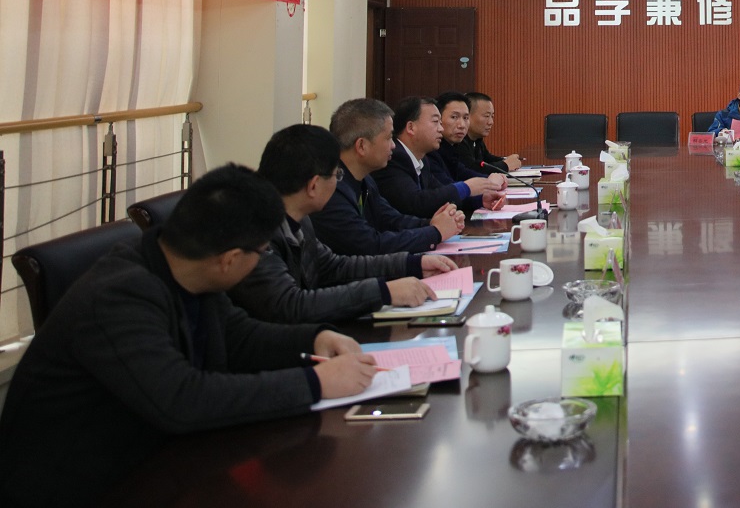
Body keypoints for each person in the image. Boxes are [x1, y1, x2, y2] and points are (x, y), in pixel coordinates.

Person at [0, 166, 379, 508]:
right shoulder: (118, 296)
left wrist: (315, 338)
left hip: (160, 462)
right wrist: (315, 383)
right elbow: (182, 399)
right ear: (230, 259)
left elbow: (238, 336)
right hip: (85, 487)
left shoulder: (185, 265)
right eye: (261, 252)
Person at [230, 124, 462, 323]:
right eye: (336, 175)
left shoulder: (299, 218)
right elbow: (289, 305)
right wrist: (383, 292)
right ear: (313, 186)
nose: (338, 182)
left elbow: (334, 266)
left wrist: (412, 264)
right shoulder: (256, 232)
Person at [310, 98, 464, 256]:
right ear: (362, 146)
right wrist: (434, 232)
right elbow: (370, 245)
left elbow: (390, 219)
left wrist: (433, 223)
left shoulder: (365, 179)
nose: (393, 145)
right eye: (389, 137)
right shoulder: (331, 189)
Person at [374, 95, 503, 219]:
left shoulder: (422, 159)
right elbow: (416, 203)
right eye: (436, 122)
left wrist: (480, 200)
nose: (441, 129)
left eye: (440, 123)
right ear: (411, 127)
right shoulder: (394, 158)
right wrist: (466, 187)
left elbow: (440, 195)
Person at [426, 92, 508, 193]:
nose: (461, 125)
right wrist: (491, 182)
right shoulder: (431, 152)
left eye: (465, 118)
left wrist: (492, 180)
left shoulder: (452, 148)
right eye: (454, 117)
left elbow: (464, 173)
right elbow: (449, 191)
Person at [454, 91, 521, 174]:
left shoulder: (477, 139)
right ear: (467, 115)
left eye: (492, 116)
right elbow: (472, 168)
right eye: (486, 116)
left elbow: (487, 159)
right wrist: (505, 165)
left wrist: (506, 160)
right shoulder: (458, 140)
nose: (491, 122)